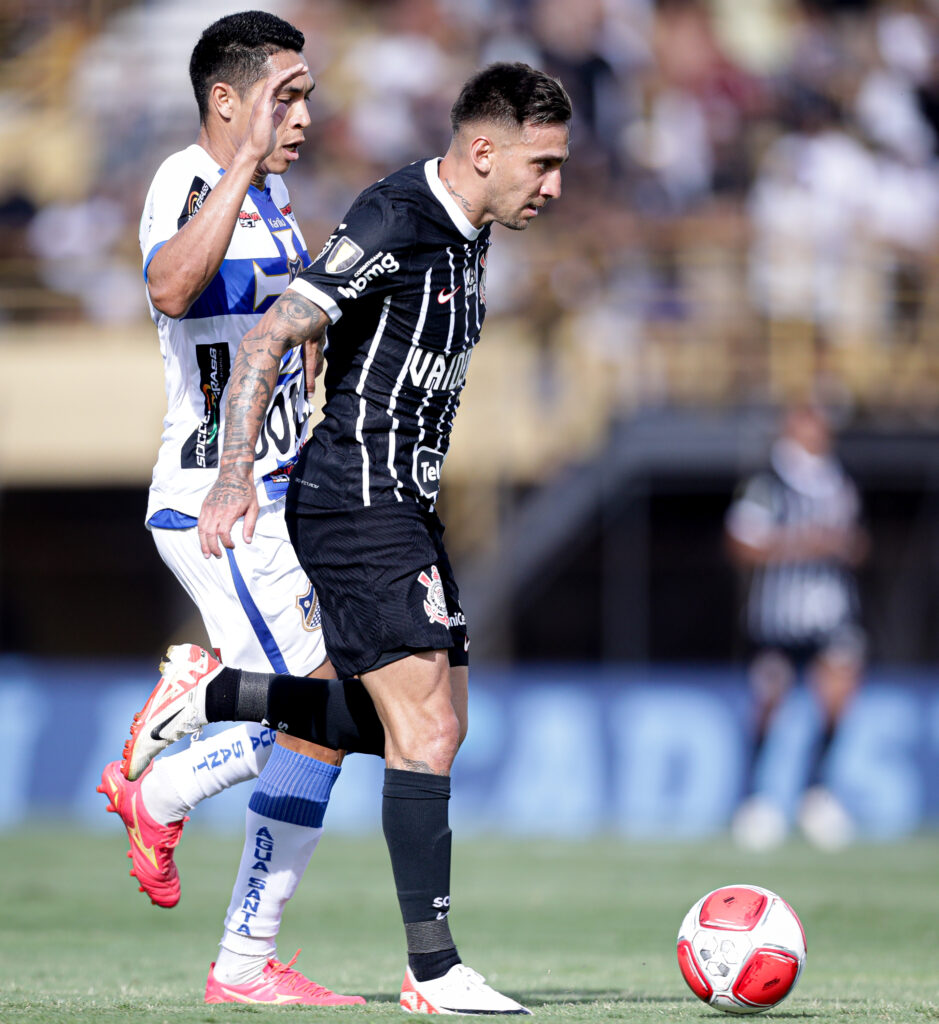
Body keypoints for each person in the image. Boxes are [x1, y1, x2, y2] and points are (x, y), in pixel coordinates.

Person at [121, 61, 572, 1015]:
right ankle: (432, 970)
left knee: (409, 728)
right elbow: (262, 336)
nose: (554, 185)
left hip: (405, 502)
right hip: (353, 503)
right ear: (483, 150)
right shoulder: (396, 215)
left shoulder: (465, 227)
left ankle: (216, 699)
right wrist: (238, 475)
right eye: (543, 163)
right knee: (419, 731)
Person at [96, 12, 365, 1006]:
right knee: (325, 707)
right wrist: (243, 168)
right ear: (228, 100)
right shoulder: (187, 178)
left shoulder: (280, 198)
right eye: (284, 96)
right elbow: (170, 288)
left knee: (337, 706)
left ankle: (159, 786)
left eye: (305, 95)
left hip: (284, 496)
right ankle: (243, 959)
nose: (303, 113)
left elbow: (285, 330)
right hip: (216, 502)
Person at [725, 403, 868, 851]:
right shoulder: (766, 483)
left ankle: (817, 789)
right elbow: (741, 544)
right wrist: (804, 543)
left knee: (840, 692)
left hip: (831, 610)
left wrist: (848, 547)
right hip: (778, 614)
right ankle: (756, 798)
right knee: (771, 700)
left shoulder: (837, 481)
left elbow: (854, 540)